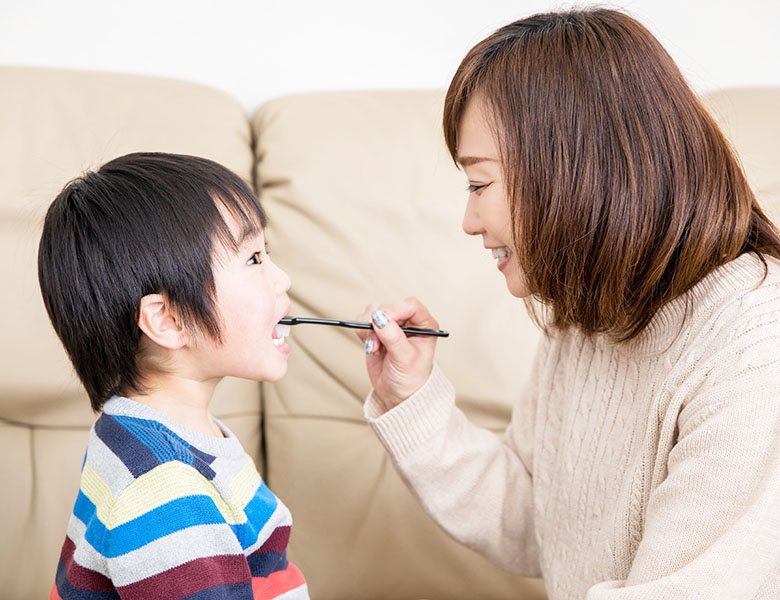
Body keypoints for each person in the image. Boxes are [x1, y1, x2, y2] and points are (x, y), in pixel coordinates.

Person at [358, 8, 780, 599]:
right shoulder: (589, 316)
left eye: (479, 185)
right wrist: (413, 400)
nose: (469, 221)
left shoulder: (755, 349)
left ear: (574, 169)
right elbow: (537, 521)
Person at [39, 153, 308, 599]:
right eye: (255, 258)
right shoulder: (164, 492)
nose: (283, 279)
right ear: (168, 321)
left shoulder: (143, 434)